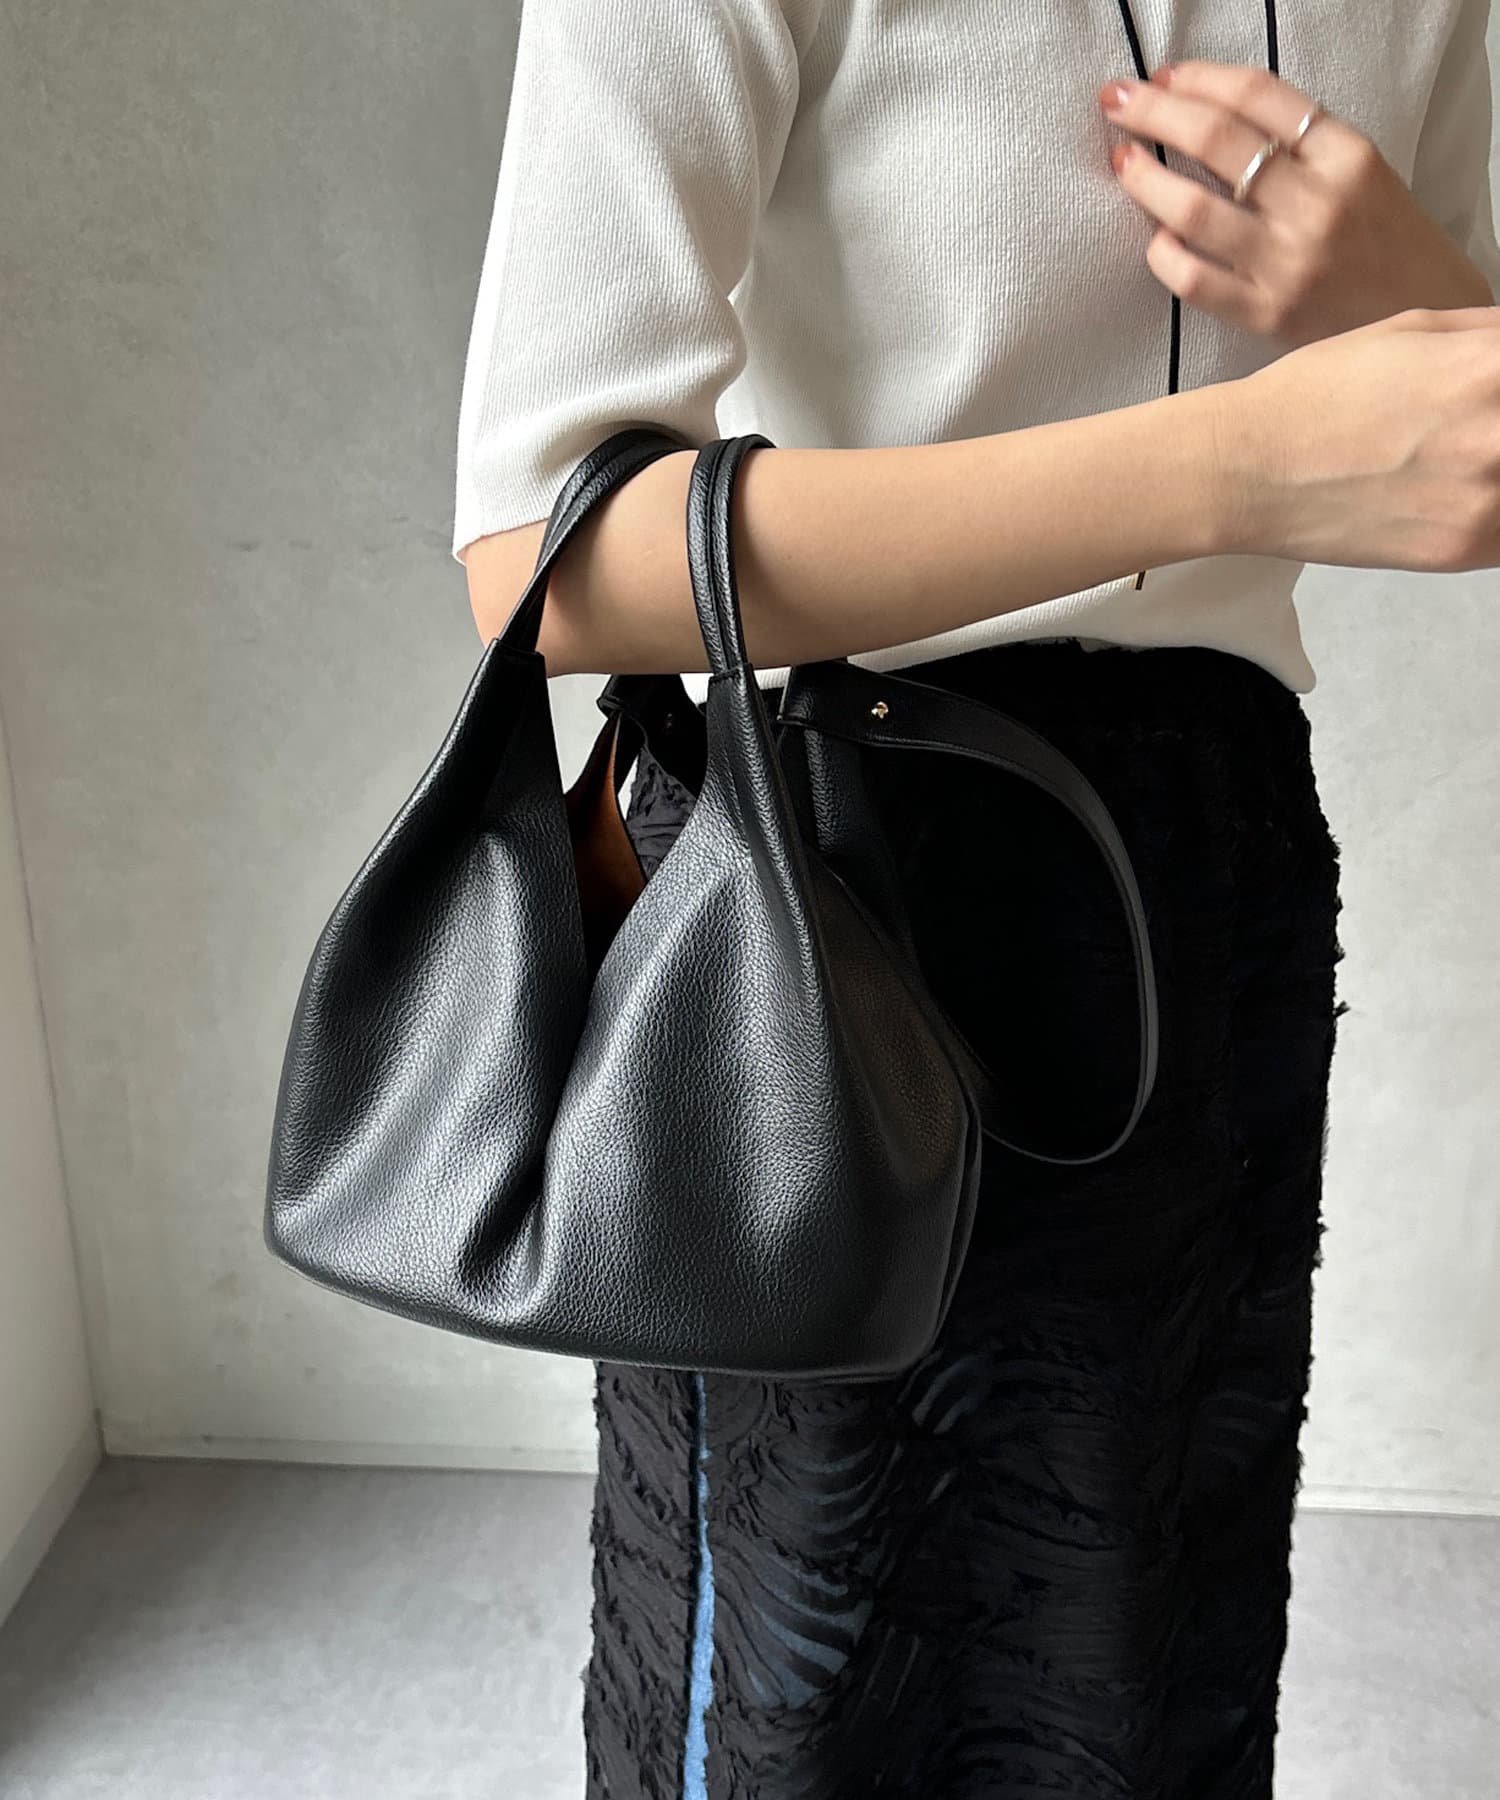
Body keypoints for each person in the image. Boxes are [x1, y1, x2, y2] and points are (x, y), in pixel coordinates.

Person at [452, 2, 1500, 1794]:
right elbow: (549, 559)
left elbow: (1458, 450)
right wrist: (1237, 463)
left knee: (1144, 1614)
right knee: (802, 1667)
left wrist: (1413, 288)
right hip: (823, 886)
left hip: (1204, 873)